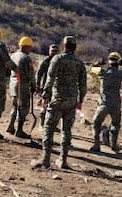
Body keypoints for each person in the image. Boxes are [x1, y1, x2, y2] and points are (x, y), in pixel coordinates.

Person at [33, 36, 87, 169]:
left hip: (57, 98)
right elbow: (83, 85)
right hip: (72, 100)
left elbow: (50, 79)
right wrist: (80, 101)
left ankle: (46, 159)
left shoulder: (57, 59)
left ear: (64, 46)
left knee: (49, 127)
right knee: (66, 130)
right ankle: (63, 160)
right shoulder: (79, 63)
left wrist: (45, 96)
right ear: (75, 47)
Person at [89, 51, 122, 153]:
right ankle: (114, 145)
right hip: (116, 104)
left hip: (104, 103)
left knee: (96, 123)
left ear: (109, 62)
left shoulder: (103, 72)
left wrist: (98, 63)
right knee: (115, 124)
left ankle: (96, 145)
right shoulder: (120, 73)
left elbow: (91, 69)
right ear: (118, 63)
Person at [5, 36, 37, 139]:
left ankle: (10, 126)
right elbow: (30, 74)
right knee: (23, 108)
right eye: (30, 47)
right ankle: (19, 130)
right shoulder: (25, 58)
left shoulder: (13, 55)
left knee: (15, 106)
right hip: (22, 86)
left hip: (13, 84)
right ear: (26, 47)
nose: (30, 50)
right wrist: (33, 85)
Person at [35, 43, 58, 128]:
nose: (53, 53)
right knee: (44, 105)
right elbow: (39, 74)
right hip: (45, 86)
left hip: (55, 88)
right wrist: (37, 86)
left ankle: (50, 125)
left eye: (55, 51)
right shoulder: (45, 61)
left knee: (53, 107)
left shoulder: (58, 61)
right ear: (49, 51)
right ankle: (42, 123)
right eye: (52, 51)